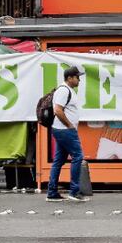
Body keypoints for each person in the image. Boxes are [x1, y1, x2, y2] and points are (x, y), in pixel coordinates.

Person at [47, 66, 87, 202]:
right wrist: (70, 125)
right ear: (69, 78)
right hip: (65, 130)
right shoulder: (64, 91)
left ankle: (52, 193)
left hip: (61, 130)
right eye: (77, 77)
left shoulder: (66, 90)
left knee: (58, 160)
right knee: (78, 156)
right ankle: (74, 192)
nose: (79, 80)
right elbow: (57, 110)